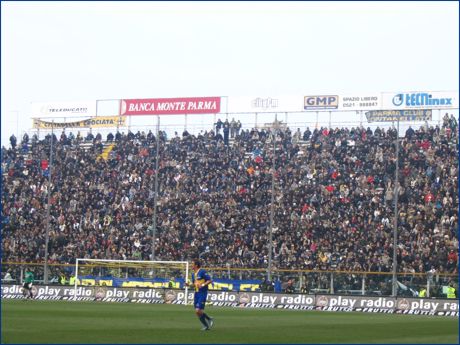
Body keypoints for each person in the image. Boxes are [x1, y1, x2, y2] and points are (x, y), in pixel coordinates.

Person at [188, 259, 214, 331]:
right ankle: (207, 325)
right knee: (198, 312)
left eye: (192, 264)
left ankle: (209, 319)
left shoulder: (202, 271)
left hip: (202, 293)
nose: (191, 265)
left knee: (198, 310)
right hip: (196, 293)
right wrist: (189, 285)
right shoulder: (193, 274)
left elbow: (209, 280)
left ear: (196, 265)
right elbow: (194, 284)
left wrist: (202, 285)